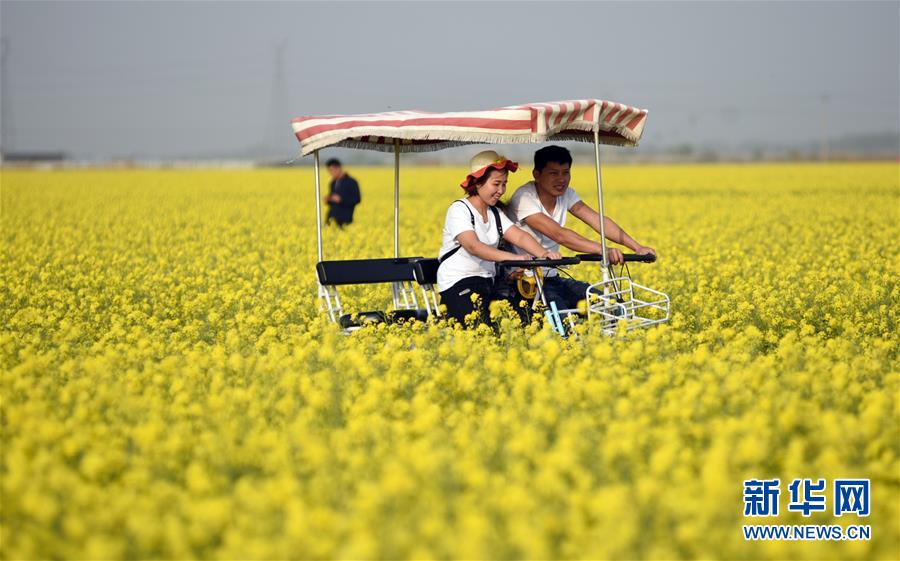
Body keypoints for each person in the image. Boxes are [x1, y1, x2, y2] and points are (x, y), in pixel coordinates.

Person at [504, 145, 656, 311]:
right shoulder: (524, 198)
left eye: (565, 172)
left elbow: (598, 221)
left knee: (610, 308)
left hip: (552, 277)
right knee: (563, 319)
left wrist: (637, 247)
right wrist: (604, 249)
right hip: (526, 282)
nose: (561, 179)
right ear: (537, 174)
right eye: (553, 173)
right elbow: (559, 235)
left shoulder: (567, 194)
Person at [437, 150, 561, 327]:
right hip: (459, 283)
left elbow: (519, 236)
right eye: (496, 184)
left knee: (525, 321)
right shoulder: (459, 210)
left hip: (488, 283)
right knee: (482, 329)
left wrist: (544, 253)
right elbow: (473, 246)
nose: (501, 190)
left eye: (504, 184)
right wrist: (516, 258)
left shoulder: (494, 212)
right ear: (477, 183)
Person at [324, 158, 361, 226]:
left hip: (345, 220)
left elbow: (357, 199)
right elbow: (333, 201)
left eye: (332, 170)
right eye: (329, 170)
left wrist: (341, 200)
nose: (330, 173)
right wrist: (329, 200)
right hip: (331, 220)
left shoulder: (351, 182)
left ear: (338, 168)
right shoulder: (333, 183)